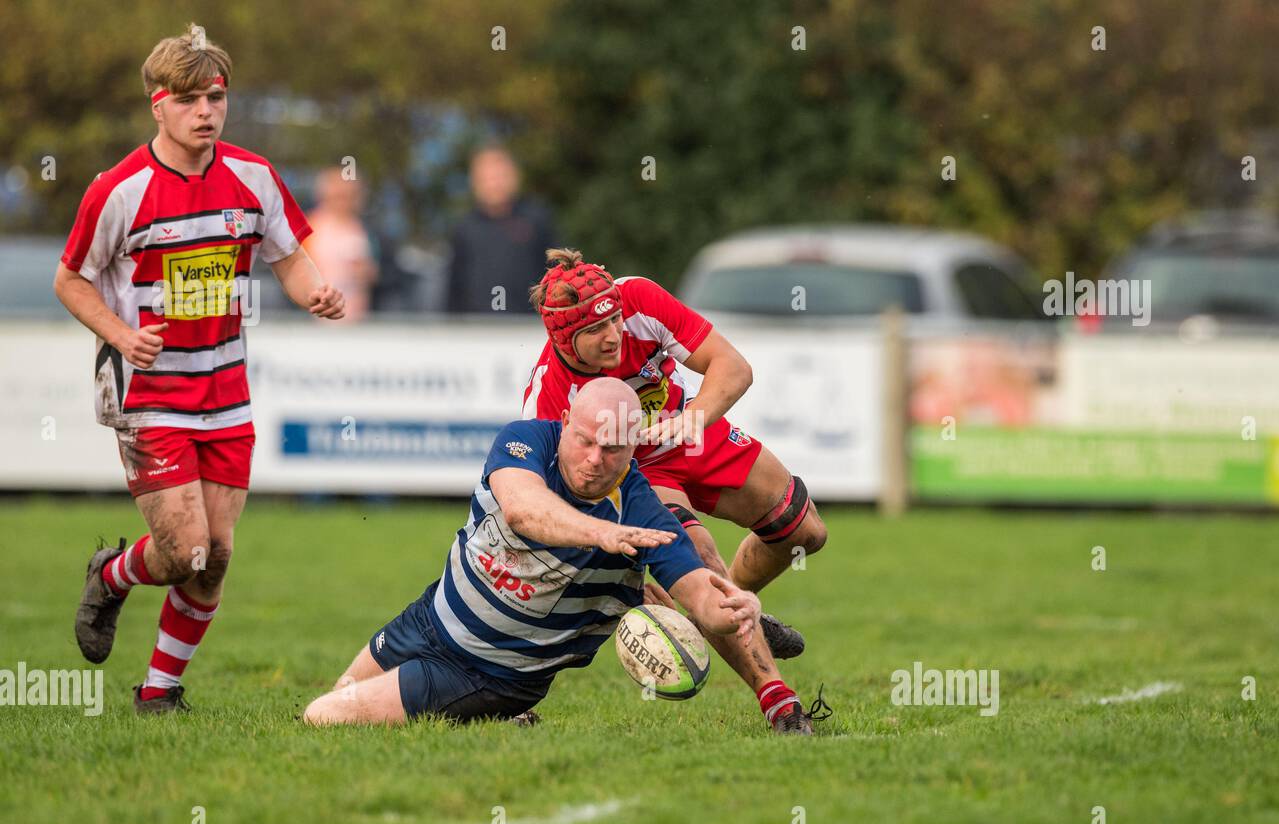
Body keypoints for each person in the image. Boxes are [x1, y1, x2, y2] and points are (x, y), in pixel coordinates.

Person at [55, 23, 345, 714]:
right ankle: (117, 574)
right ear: (158, 104)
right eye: (189, 100)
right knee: (186, 549)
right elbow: (71, 280)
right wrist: (123, 335)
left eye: (216, 97)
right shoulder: (119, 190)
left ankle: (158, 690)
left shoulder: (254, 177)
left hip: (228, 394)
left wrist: (318, 293)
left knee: (214, 557)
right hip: (150, 396)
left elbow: (290, 257)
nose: (206, 112)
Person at [304, 378, 820, 734]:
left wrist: (737, 610)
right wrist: (601, 533)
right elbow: (526, 513)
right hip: (429, 618)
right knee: (341, 692)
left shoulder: (644, 515)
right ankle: (488, 728)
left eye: (613, 449)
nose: (594, 459)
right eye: (585, 440)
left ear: (634, 447)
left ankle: (491, 713)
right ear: (566, 418)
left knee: (323, 717)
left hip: (488, 674)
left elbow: (701, 601)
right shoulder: (524, 441)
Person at [521, 249, 830, 729]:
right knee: (700, 555)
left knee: (804, 532)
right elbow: (558, 496)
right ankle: (779, 700)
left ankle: (717, 609)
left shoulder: (639, 297)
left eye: (616, 321)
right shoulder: (548, 396)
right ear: (564, 340)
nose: (614, 336)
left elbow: (733, 367)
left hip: (688, 429)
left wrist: (692, 420)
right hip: (634, 472)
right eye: (595, 332)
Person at [444, 146, 558, 314]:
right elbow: (453, 286)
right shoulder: (464, 228)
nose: (494, 184)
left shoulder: (536, 219)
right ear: (474, 182)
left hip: (530, 326)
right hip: (476, 330)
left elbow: (558, 275)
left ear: (514, 177)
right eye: (486, 178)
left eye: (499, 176)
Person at [303, 169, 377, 321]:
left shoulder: (367, 230)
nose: (343, 202)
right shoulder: (307, 228)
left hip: (359, 315)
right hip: (314, 319)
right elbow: (293, 270)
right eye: (338, 196)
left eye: (348, 196)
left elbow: (382, 272)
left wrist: (369, 272)